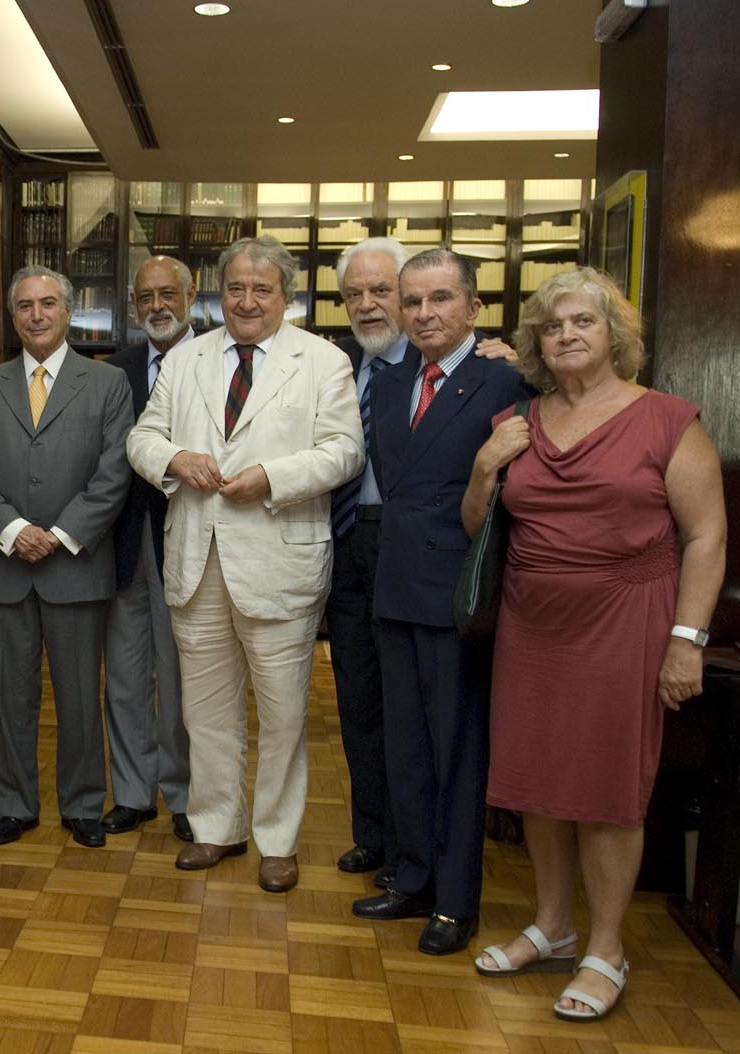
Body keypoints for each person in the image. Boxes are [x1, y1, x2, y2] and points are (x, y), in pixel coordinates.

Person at [464, 267, 725, 1018]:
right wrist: (485, 466)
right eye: (552, 326)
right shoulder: (516, 422)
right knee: (537, 782)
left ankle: (604, 949)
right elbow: (476, 530)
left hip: (626, 620)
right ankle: (550, 926)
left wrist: (686, 641)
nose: (567, 335)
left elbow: (705, 536)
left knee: (608, 790)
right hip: (529, 621)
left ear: (615, 334)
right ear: (535, 343)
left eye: (582, 322)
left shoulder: (667, 418)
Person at [126, 236, 361, 885]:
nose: (247, 299)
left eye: (262, 288)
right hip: (195, 560)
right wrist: (173, 459)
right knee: (204, 711)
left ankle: (277, 841)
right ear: (217, 293)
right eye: (235, 287)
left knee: (284, 712)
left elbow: (344, 449)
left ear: (285, 295)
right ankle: (214, 827)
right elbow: (141, 436)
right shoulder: (187, 359)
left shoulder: (321, 360)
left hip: (279, 560)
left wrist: (274, 476)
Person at [349, 249, 535, 956]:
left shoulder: (504, 380)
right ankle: (412, 877)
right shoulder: (391, 381)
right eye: (413, 301)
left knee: (456, 751)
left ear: (473, 307)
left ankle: (456, 902)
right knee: (405, 746)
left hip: (456, 592)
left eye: (440, 299)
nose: (424, 314)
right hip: (392, 585)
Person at [0, 265, 134, 849]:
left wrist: (59, 534)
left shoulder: (107, 385)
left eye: (49, 303)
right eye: (26, 306)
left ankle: (83, 805)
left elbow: (114, 475)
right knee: (10, 695)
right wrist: (12, 529)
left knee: (81, 695)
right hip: (8, 564)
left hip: (75, 565)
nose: (37, 314)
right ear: (13, 317)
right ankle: (14, 803)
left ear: (68, 311)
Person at [324, 237, 410, 882]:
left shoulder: (442, 366)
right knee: (357, 699)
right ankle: (372, 835)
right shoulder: (338, 364)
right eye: (354, 294)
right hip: (347, 542)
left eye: (380, 290)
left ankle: (413, 846)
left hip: (408, 551)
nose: (367, 304)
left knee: (408, 704)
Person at [103, 256, 195, 841]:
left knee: (183, 675)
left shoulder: (216, 362)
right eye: (145, 298)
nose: (157, 306)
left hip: (186, 535)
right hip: (118, 540)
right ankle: (133, 794)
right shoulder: (114, 370)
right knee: (126, 675)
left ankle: (184, 793)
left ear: (191, 298)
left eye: (168, 294)